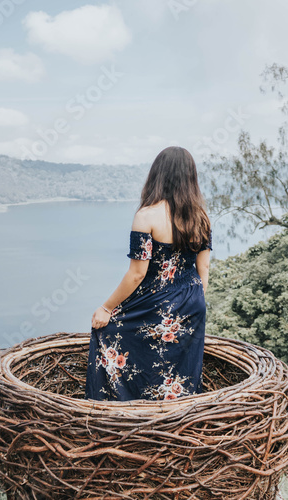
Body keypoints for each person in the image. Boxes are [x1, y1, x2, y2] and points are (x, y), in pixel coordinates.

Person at [85, 146, 213, 402]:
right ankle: (176, 418)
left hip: (157, 301)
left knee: (105, 331)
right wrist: (190, 302)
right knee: (179, 369)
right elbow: (204, 270)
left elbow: (136, 275)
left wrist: (106, 308)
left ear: (157, 175)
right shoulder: (201, 218)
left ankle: (124, 409)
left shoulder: (146, 217)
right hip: (193, 302)